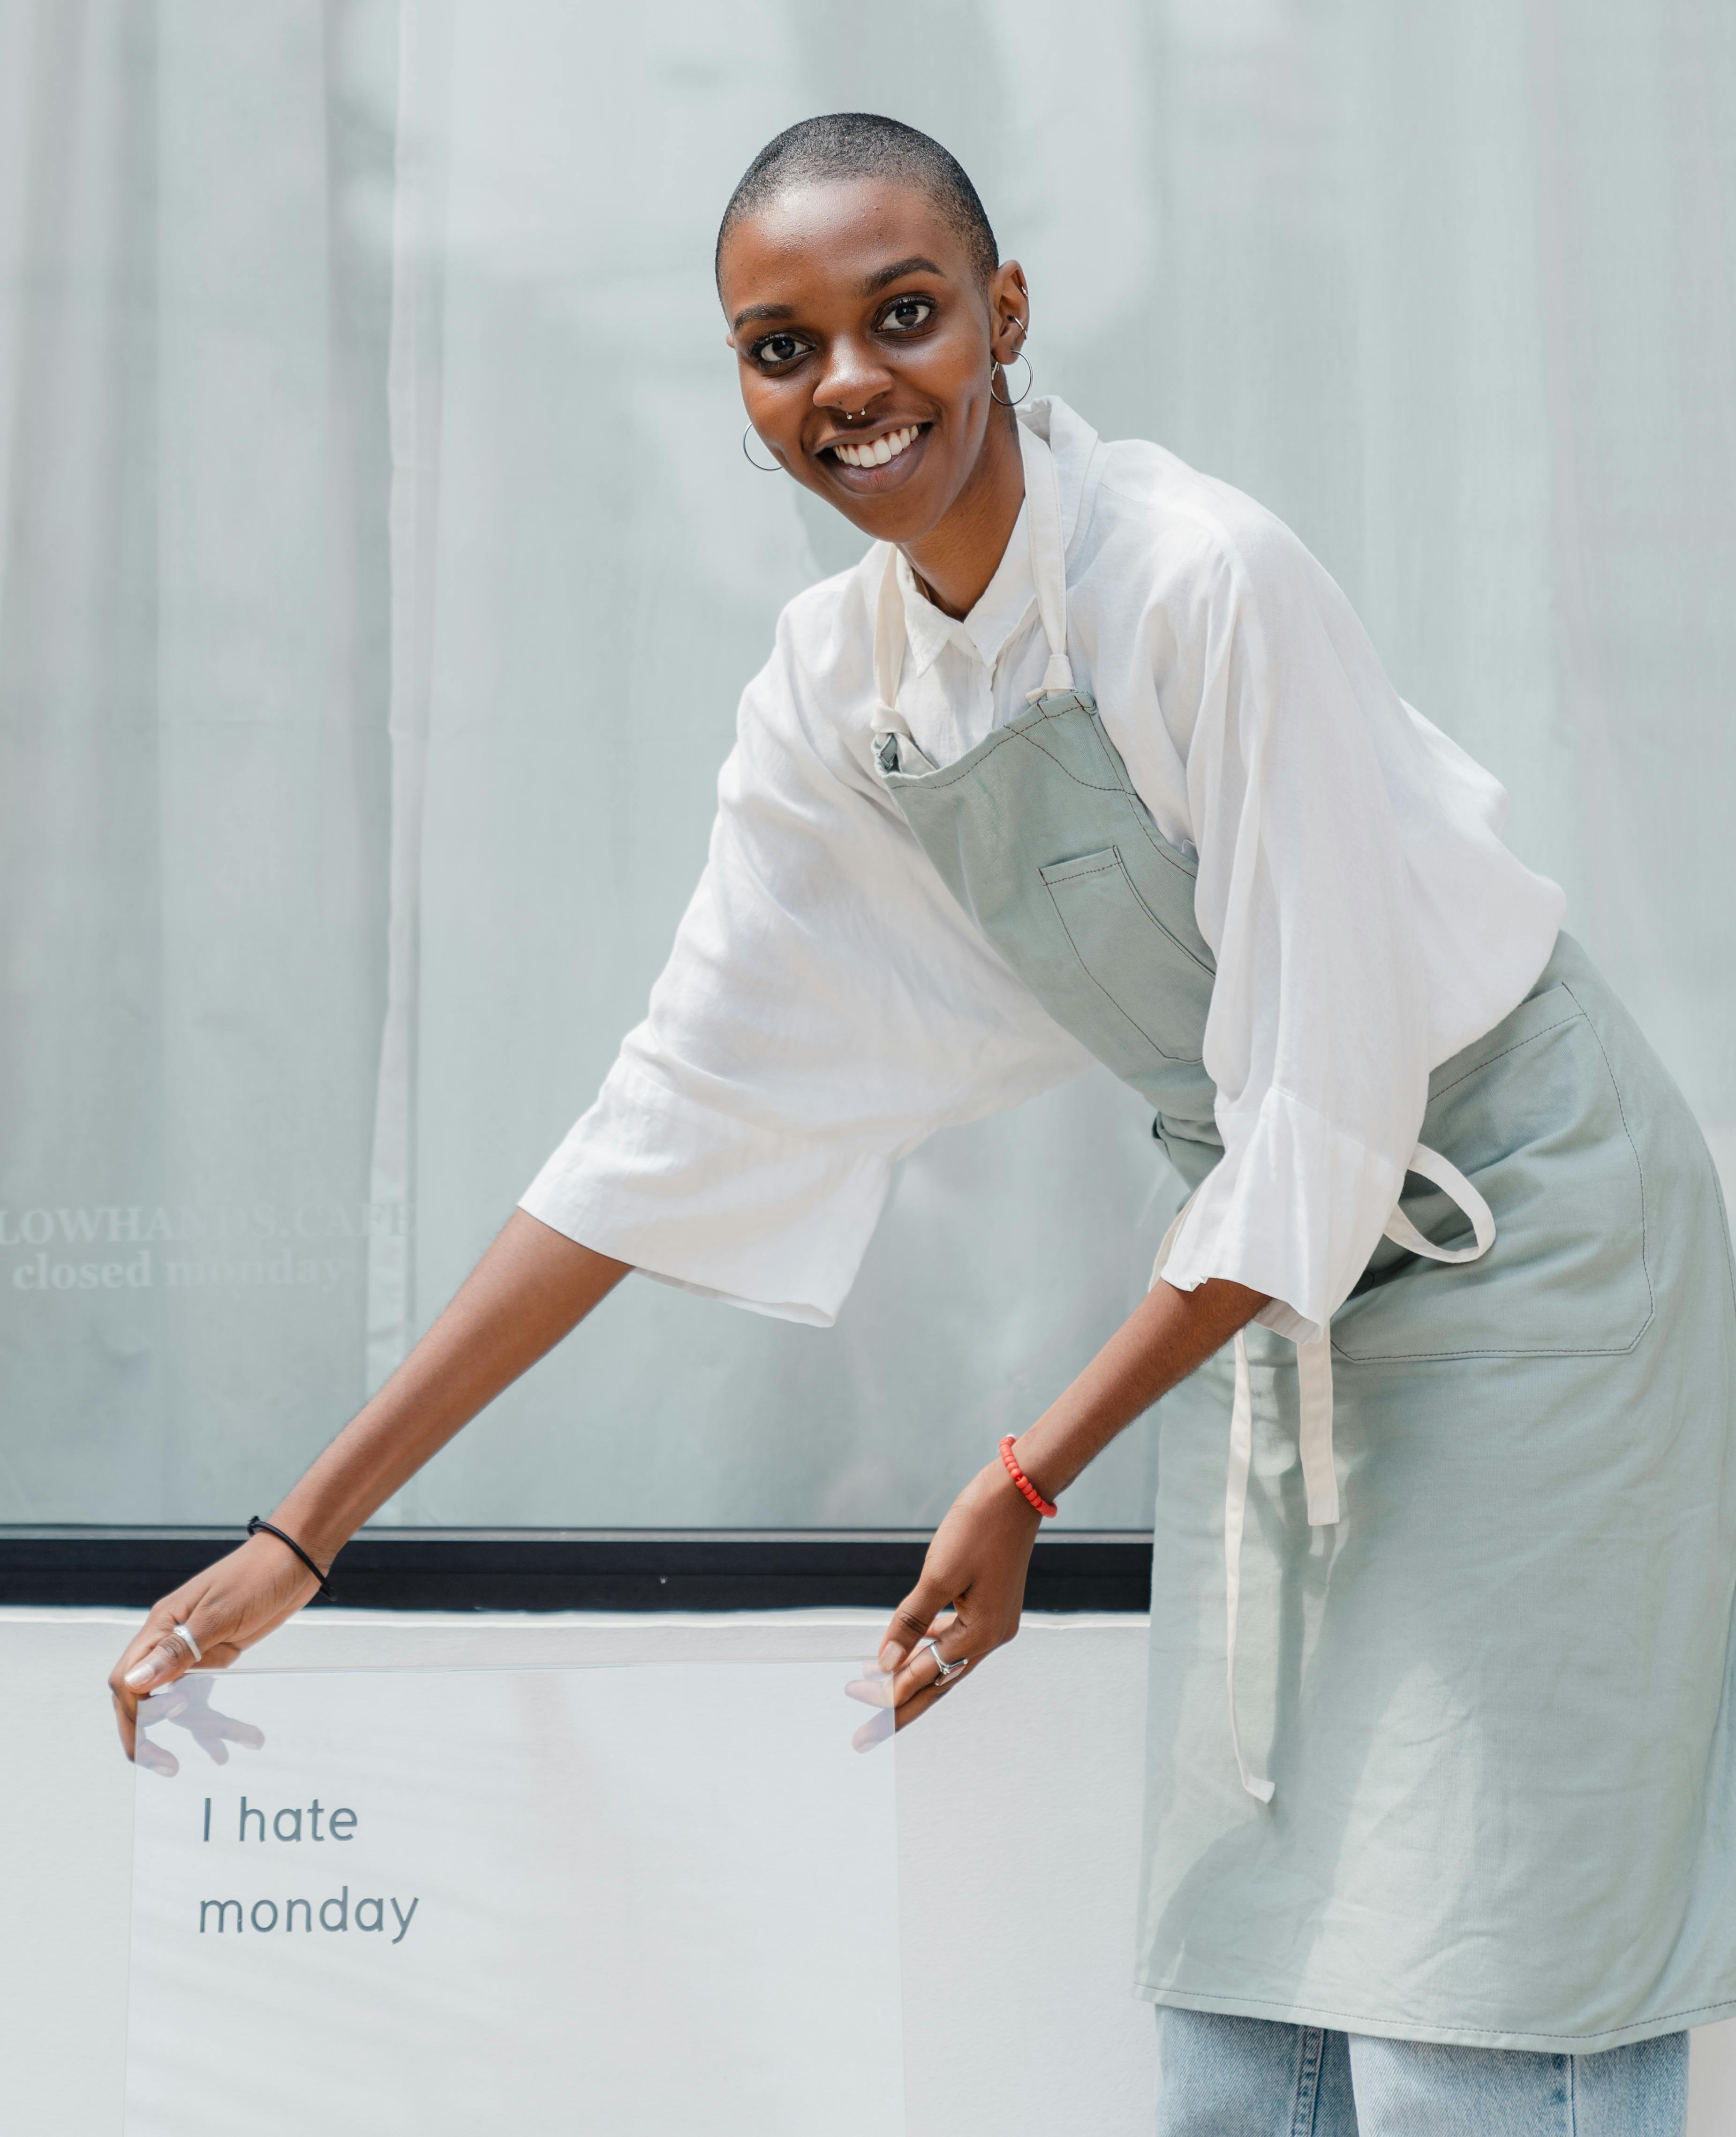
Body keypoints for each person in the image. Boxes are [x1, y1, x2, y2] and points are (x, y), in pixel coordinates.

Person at [109, 114, 1732, 2134]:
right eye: (779, 349)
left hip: (1530, 1250)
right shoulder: (838, 693)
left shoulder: (1200, 582)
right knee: (1252, 1997)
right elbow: (663, 1119)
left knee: (1473, 1986)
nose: (849, 386)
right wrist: (303, 1529)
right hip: (1264, 1288)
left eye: (900, 318)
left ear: (1003, 315)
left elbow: (1324, 1104)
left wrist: (1022, 1481)